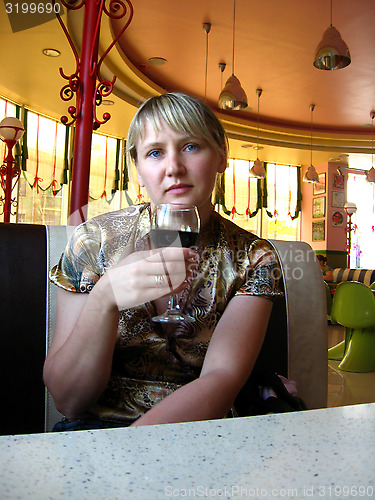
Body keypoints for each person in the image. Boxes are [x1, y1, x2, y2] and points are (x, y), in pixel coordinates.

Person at [43, 92, 283, 431]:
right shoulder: (93, 241)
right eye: (155, 153)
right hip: (96, 433)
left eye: (191, 146)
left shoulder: (254, 257)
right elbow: (68, 401)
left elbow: (222, 376)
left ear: (221, 158)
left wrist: (133, 453)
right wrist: (105, 298)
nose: (174, 168)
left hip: (199, 433)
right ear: (138, 169)